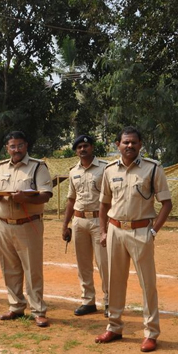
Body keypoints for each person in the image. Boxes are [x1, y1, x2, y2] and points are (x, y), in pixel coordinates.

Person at [96, 126, 173, 352]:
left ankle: (150, 332)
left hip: (141, 231)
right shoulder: (109, 170)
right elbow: (103, 204)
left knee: (147, 284)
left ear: (140, 145)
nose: (129, 146)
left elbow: (166, 203)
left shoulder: (152, 169)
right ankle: (115, 326)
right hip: (115, 230)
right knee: (114, 281)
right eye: (125, 142)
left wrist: (154, 230)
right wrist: (103, 231)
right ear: (117, 145)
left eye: (133, 142)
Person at [0, 131, 53, 328]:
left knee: (32, 269)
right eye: (12, 146)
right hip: (4, 224)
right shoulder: (0, 168)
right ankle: (15, 306)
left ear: (26, 146)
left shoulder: (37, 166)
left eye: (20, 146)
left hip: (28, 224)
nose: (16, 150)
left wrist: (27, 198)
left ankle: (38, 310)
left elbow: (46, 195)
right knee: (9, 267)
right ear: (7, 148)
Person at [62, 134, 109, 317]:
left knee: (104, 263)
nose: (83, 149)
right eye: (79, 147)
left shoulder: (105, 168)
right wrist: (65, 224)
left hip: (99, 221)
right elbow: (71, 199)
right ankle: (88, 300)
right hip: (79, 220)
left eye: (86, 146)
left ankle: (109, 301)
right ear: (76, 150)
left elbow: (111, 197)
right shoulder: (74, 171)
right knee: (83, 264)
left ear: (92, 148)